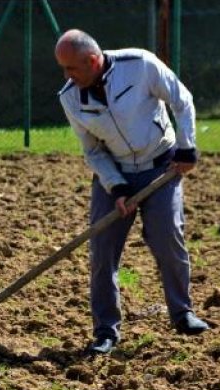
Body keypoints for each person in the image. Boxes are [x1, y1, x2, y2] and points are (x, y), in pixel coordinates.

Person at [53, 29, 209, 356]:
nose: (67, 76)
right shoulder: (70, 97)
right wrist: (117, 186)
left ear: (93, 60)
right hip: (116, 173)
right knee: (102, 250)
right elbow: (92, 151)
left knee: (167, 236)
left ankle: (183, 314)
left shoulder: (139, 65)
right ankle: (106, 331)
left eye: (72, 68)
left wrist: (187, 147)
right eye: (63, 69)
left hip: (161, 166)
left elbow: (182, 101)